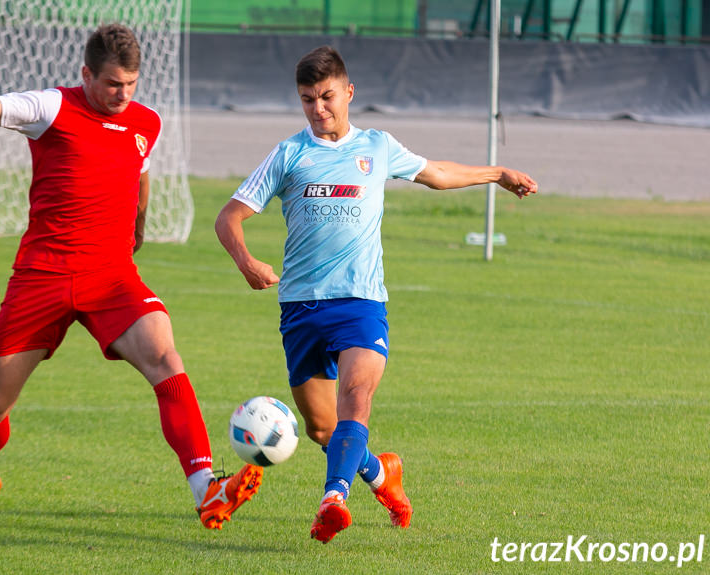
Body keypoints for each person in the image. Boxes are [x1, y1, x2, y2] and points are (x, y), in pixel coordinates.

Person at [0, 23, 262, 530]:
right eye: (113, 83)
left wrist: (138, 225)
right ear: (87, 73)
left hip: (111, 275)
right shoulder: (51, 107)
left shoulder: (147, 122)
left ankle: (207, 489)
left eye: (132, 84)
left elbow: (141, 171)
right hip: (41, 277)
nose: (123, 94)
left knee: (163, 353)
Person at [215, 45, 538, 544]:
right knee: (323, 429)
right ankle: (383, 476)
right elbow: (229, 216)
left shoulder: (377, 146)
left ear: (348, 92)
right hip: (300, 306)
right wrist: (247, 261)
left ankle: (333, 499)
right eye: (307, 100)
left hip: (361, 303)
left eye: (326, 97)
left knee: (356, 399)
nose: (318, 109)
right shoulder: (289, 154)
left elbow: (437, 174)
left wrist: (497, 174)